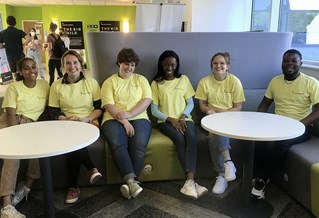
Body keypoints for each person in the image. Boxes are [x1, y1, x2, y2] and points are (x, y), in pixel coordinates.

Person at [251, 49, 319, 199]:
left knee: (281, 144)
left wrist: (300, 125)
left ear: (301, 63)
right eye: (286, 61)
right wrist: (258, 122)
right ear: (281, 63)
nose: (289, 64)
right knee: (257, 139)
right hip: (278, 125)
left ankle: (262, 180)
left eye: (294, 61)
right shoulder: (275, 81)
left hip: (302, 127)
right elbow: (264, 104)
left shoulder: (311, 83)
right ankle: (255, 174)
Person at [151, 50, 208, 199]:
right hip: (165, 122)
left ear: (176, 65)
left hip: (185, 119)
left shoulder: (183, 79)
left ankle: (189, 181)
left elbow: (190, 103)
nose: (169, 67)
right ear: (161, 65)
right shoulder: (156, 83)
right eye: (166, 65)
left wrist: (182, 117)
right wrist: (172, 120)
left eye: (172, 64)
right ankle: (191, 182)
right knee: (179, 139)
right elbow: (154, 110)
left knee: (191, 137)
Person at [48, 50, 102, 204]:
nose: (72, 66)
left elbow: (99, 108)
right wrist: (64, 119)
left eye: (75, 62)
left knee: (74, 145)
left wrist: (88, 118)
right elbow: (52, 110)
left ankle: (73, 187)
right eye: (68, 63)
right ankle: (91, 169)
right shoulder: (56, 85)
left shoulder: (91, 82)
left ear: (81, 64)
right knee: (73, 143)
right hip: (67, 123)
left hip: (89, 120)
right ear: (63, 67)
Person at [0, 57, 50, 218]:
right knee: (12, 155)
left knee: (40, 152)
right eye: (26, 68)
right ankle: (6, 205)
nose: (31, 71)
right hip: (10, 123)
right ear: (20, 72)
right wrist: (16, 136)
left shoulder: (44, 85)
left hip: (31, 126)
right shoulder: (14, 87)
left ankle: (25, 188)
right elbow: (10, 114)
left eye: (34, 67)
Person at [100, 48, 152, 199]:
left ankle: (130, 183)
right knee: (117, 143)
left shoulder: (140, 80)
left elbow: (146, 100)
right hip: (112, 119)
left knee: (139, 145)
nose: (129, 68)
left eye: (133, 65)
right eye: (126, 64)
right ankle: (132, 181)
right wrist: (124, 121)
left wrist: (130, 115)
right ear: (119, 63)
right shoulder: (109, 82)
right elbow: (109, 105)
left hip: (139, 117)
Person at [195, 52, 245, 194]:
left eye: (222, 63)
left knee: (214, 136)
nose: (218, 66)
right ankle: (228, 163)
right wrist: (213, 111)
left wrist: (221, 112)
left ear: (228, 66)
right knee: (215, 130)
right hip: (211, 119)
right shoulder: (204, 81)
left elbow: (238, 107)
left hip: (230, 119)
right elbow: (202, 106)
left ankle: (221, 174)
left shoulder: (235, 81)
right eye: (215, 63)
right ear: (211, 65)